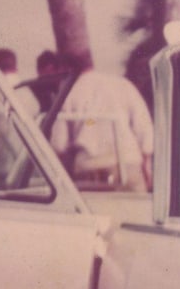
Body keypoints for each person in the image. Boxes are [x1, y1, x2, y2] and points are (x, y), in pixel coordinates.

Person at [50, 59, 154, 191]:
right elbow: (144, 127)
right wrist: (147, 165)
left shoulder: (68, 93)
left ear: (64, 67)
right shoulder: (123, 85)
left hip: (88, 168)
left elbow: (59, 145)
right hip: (129, 164)